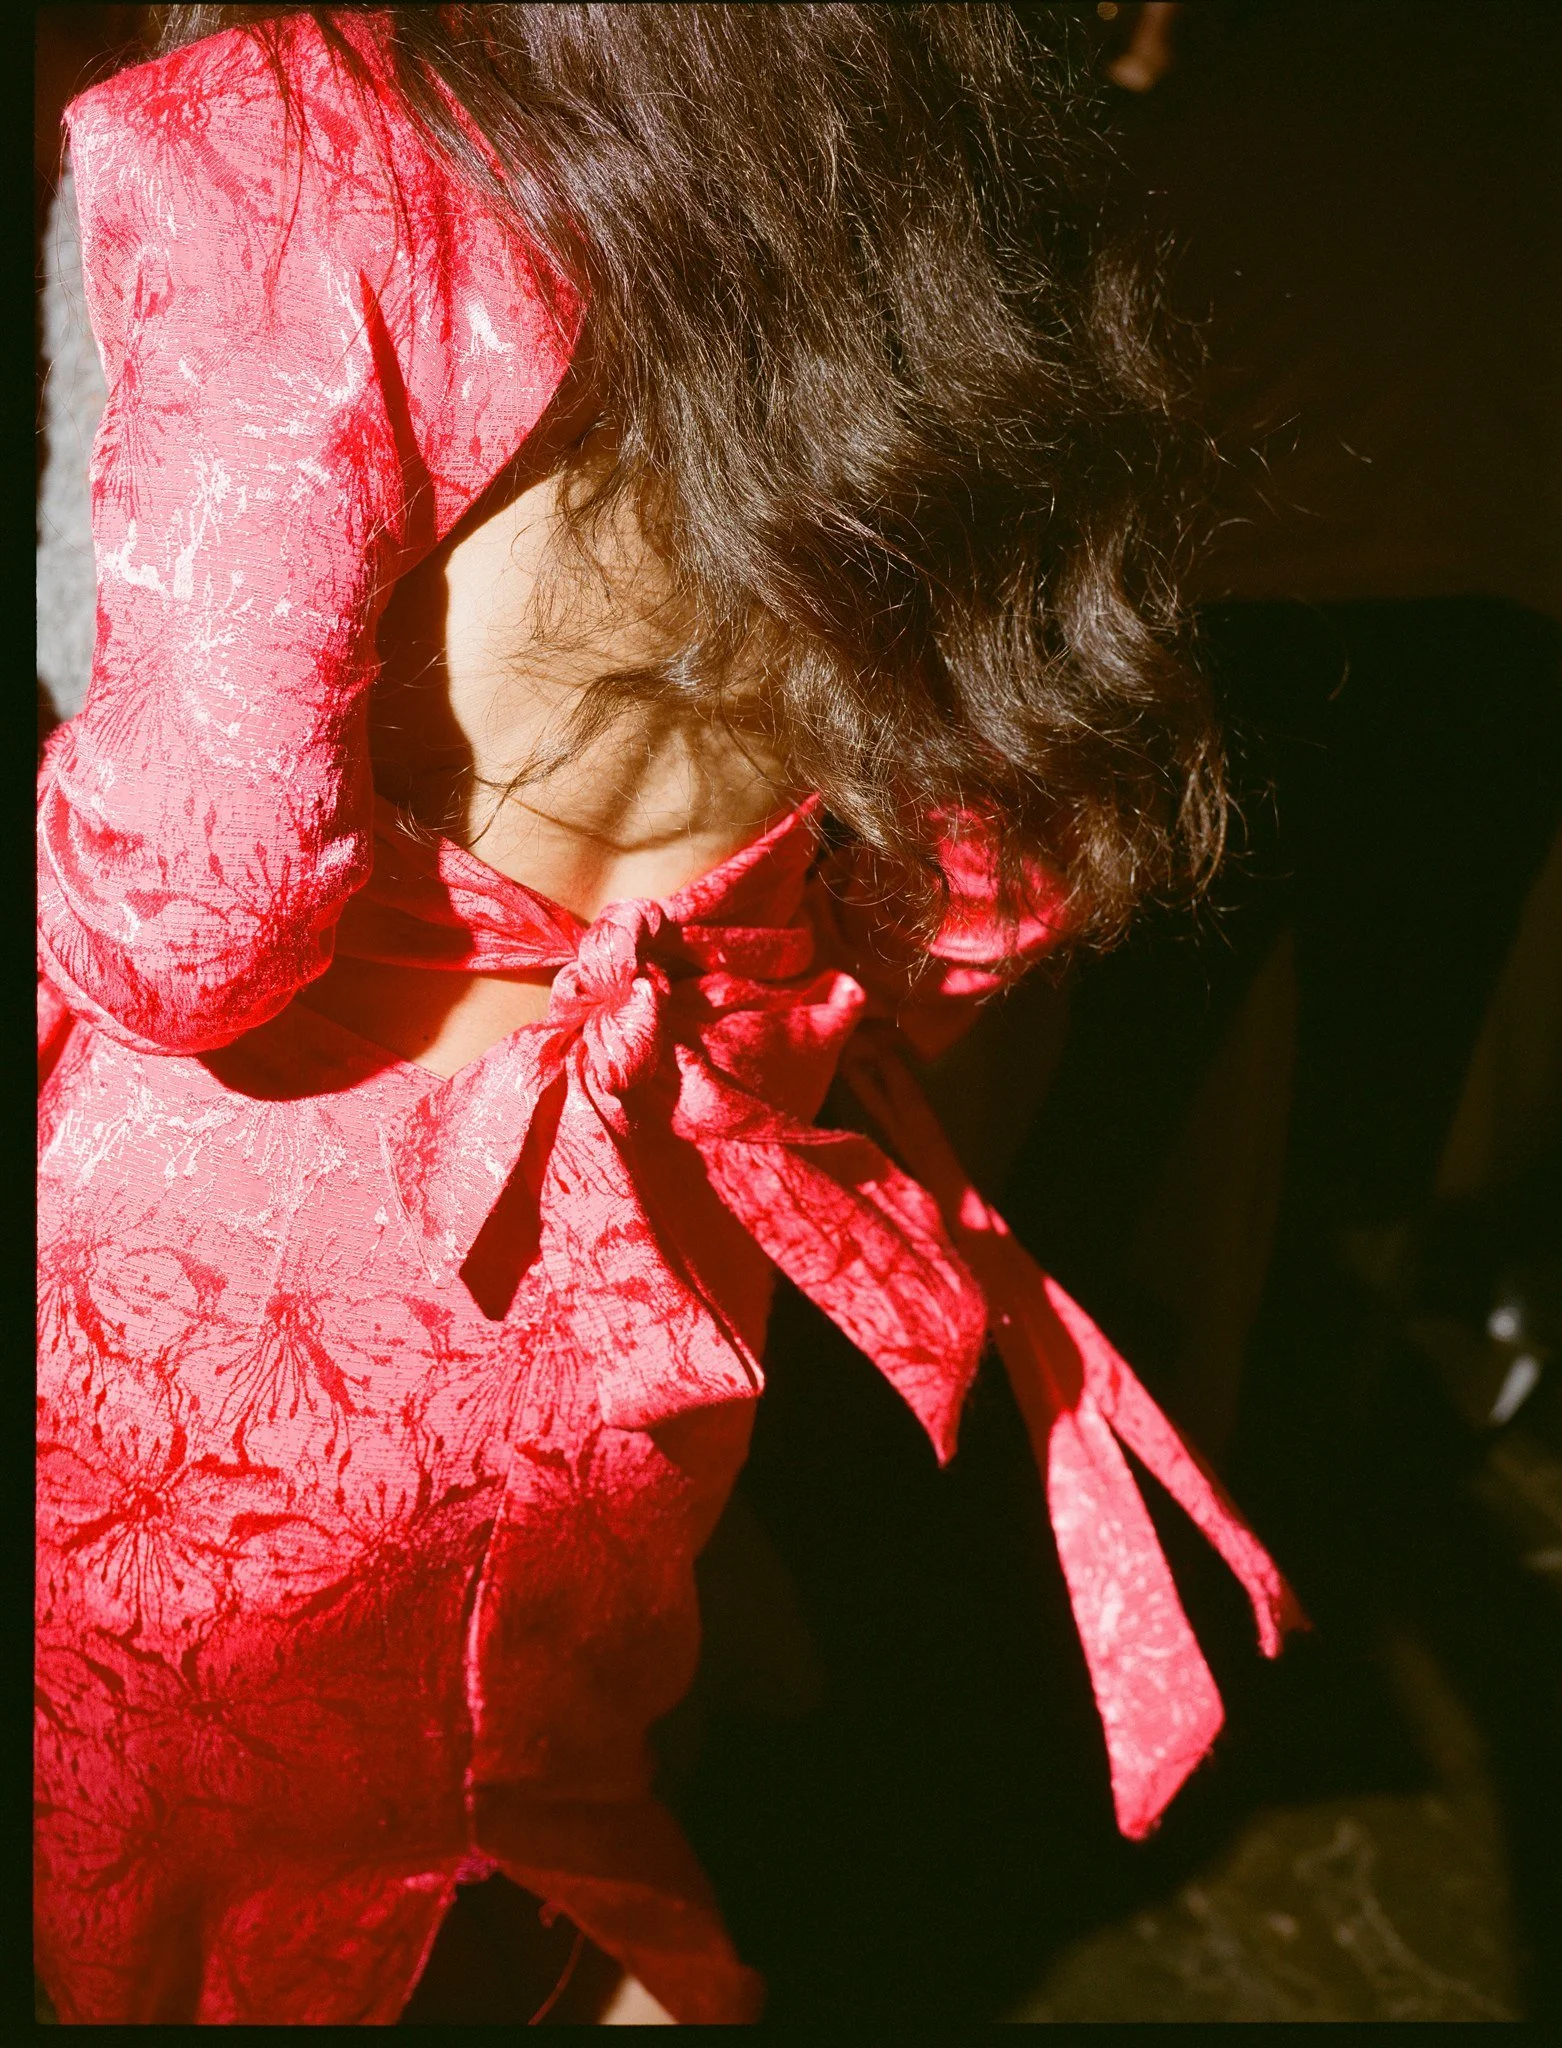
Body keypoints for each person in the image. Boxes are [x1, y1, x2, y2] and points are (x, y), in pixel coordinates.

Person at [35, 5, 1300, 2025]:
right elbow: (992, 888)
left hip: (242, 1314)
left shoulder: (294, 126)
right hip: (656, 1285)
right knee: (509, 1855)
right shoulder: (935, 149)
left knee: (199, 1925)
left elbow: (197, 917)